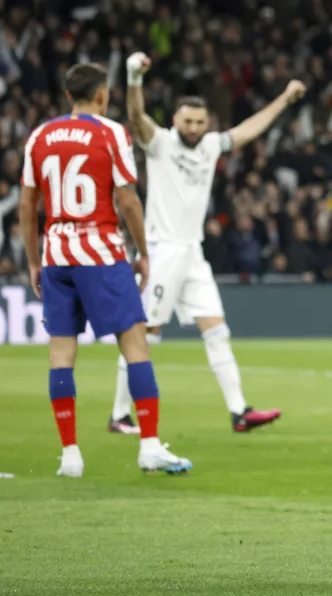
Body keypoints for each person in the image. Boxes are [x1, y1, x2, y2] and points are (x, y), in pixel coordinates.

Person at [106, 52, 302, 435]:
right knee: (144, 333)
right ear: (175, 120)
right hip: (162, 251)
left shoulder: (211, 145)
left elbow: (249, 130)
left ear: (207, 123)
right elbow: (136, 117)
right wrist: (133, 78)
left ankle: (239, 411)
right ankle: (119, 415)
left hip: (192, 253)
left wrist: (284, 99)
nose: (193, 128)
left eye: (199, 122)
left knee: (216, 329)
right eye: (187, 121)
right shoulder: (160, 143)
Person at [18, 62, 192, 478]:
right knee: (135, 347)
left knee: (61, 355)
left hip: (57, 254)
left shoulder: (40, 136)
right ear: (101, 96)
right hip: (100, 252)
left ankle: (70, 456)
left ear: (67, 96)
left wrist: (33, 260)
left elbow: (28, 205)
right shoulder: (110, 132)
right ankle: (149, 445)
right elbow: (128, 200)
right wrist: (143, 251)